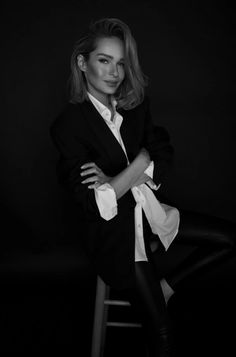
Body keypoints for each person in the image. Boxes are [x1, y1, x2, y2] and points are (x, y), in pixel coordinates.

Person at [50, 18, 235, 357]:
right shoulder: (69, 126)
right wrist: (137, 165)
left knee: (228, 239)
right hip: (117, 237)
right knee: (163, 331)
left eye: (120, 63)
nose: (114, 72)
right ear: (82, 62)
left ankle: (165, 286)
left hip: (149, 213)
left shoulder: (135, 107)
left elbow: (161, 151)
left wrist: (123, 177)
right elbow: (99, 205)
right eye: (103, 61)